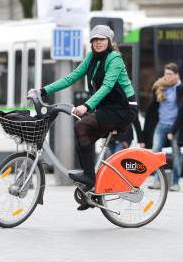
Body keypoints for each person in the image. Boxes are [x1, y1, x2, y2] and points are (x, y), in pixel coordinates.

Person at [35, 24, 137, 210]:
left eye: (102, 39)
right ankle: (93, 190)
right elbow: (71, 78)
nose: (98, 43)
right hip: (107, 107)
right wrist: (43, 90)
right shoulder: (91, 57)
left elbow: (107, 86)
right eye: (94, 39)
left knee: (82, 127)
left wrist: (86, 105)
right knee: (83, 133)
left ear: (110, 42)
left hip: (123, 108)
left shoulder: (114, 59)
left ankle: (89, 178)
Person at [142, 63, 183, 191]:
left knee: (177, 153)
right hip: (161, 124)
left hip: (176, 126)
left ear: (177, 75)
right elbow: (153, 108)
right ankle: (157, 180)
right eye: (165, 73)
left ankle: (176, 182)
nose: (167, 76)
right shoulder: (160, 87)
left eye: (170, 74)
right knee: (155, 152)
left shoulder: (181, 89)